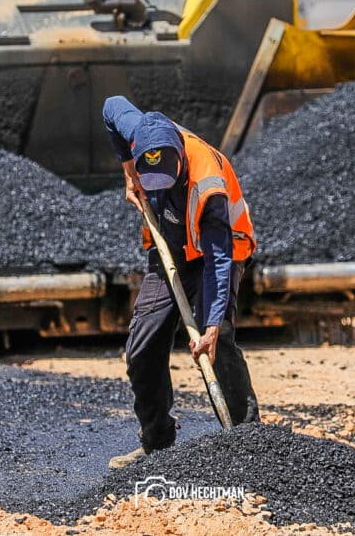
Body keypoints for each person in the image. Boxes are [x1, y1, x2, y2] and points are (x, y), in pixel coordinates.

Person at [102, 95, 260, 469]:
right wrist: (128, 168)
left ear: (181, 161)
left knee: (216, 343)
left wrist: (209, 327)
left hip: (215, 252)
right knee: (142, 346)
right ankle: (157, 445)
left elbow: (219, 261)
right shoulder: (139, 129)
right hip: (170, 248)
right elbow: (111, 106)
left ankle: (251, 443)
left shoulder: (209, 184)